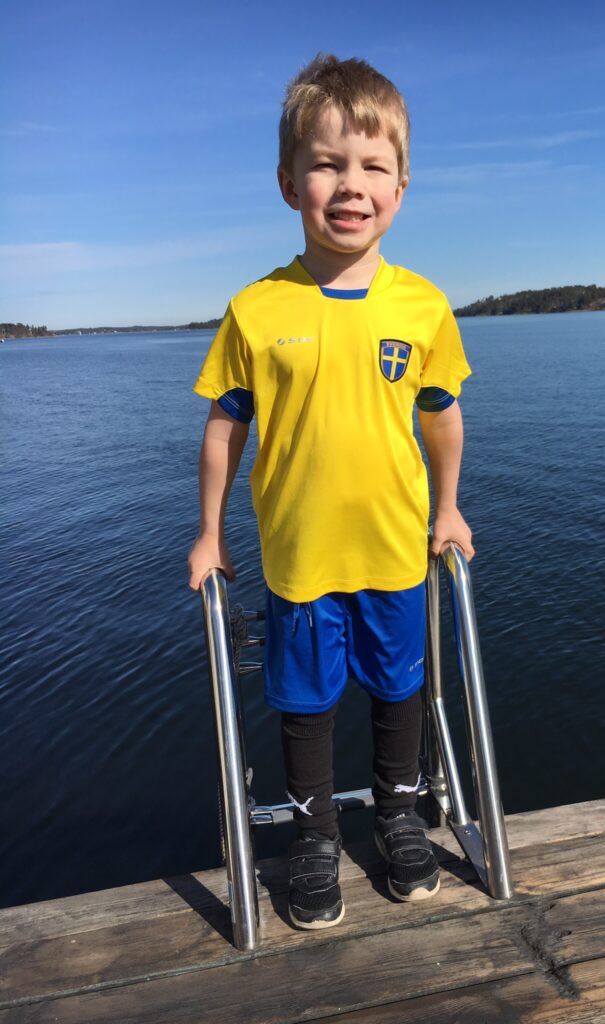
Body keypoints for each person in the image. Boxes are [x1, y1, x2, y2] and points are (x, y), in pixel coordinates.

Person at [188, 54, 473, 931]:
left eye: (373, 166)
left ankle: (398, 816)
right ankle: (313, 839)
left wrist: (448, 507)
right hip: (301, 559)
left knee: (399, 692)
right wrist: (209, 533)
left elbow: (442, 417)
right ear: (289, 183)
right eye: (327, 164)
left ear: (401, 187)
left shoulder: (423, 307)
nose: (352, 185)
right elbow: (224, 428)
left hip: (394, 550)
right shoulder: (256, 310)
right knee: (305, 706)